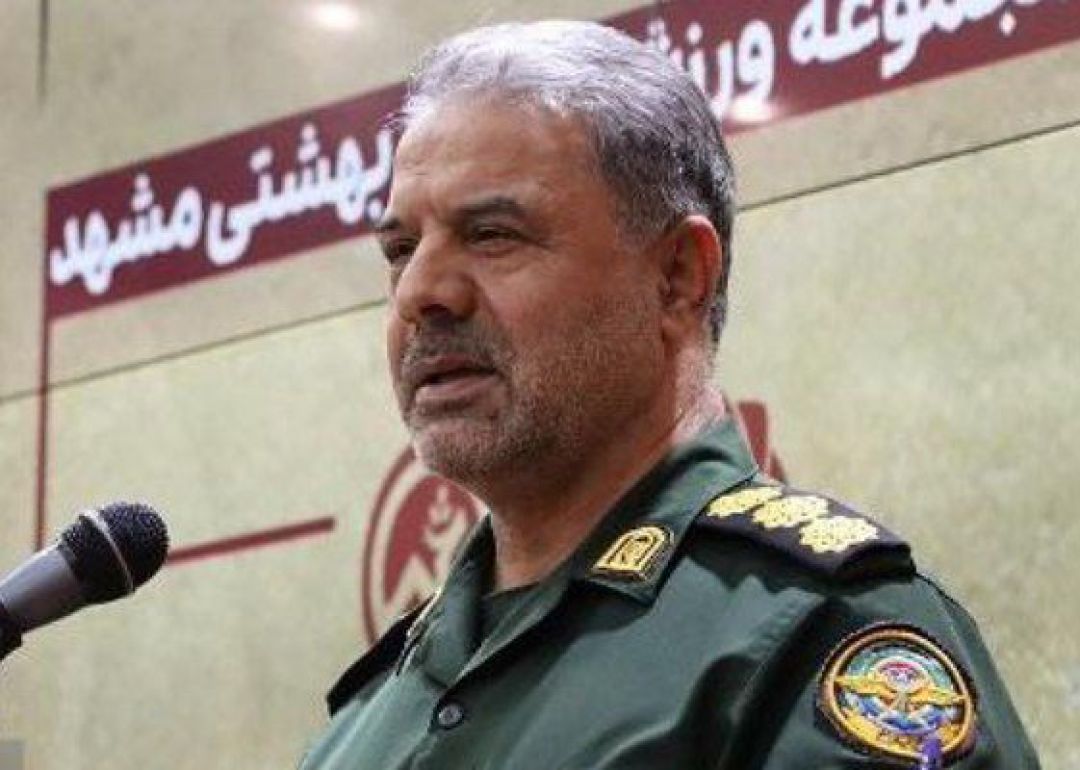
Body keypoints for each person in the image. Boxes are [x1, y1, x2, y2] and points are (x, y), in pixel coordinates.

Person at [299, 20, 1040, 769]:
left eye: (492, 235)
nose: (420, 291)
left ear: (678, 277)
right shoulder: (371, 714)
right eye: (401, 250)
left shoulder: (818, 636)